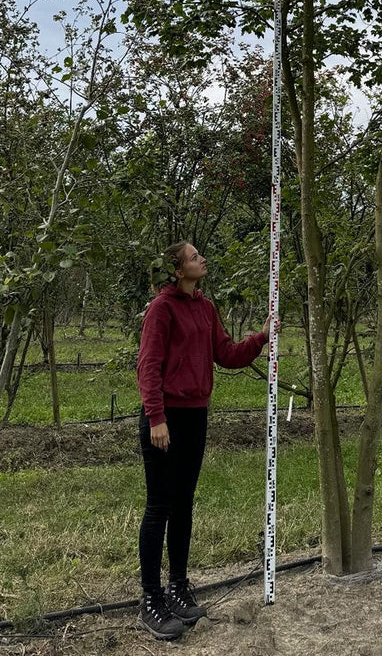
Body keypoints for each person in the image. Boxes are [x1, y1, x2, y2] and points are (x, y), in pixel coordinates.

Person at [135, 241, 275, 640]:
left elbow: (226, 353)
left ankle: (178, 587)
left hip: (195, 415)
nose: (202, 260)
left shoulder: (205, 307)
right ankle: (151, 600)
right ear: (178, 270)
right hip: (165, 418)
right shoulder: (162, 309)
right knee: (159, 506)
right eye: (195, 257)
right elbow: (148, 365)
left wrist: (260, 337)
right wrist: (156, 417)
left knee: (183, 505)